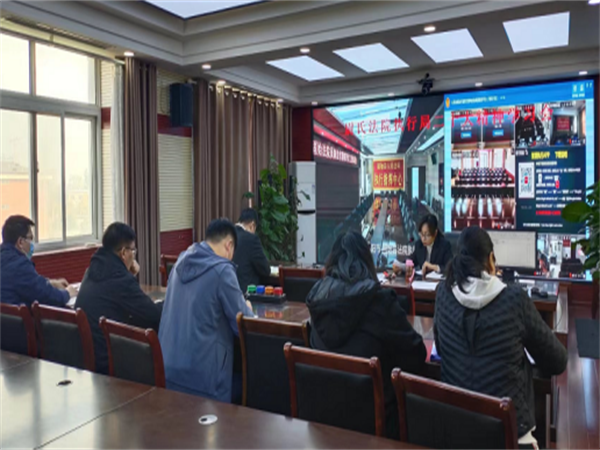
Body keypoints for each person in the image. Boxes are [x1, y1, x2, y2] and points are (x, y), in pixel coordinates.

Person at [434, 227, 567, 450]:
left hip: (456, 433)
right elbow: (558, 361)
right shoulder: (514, 300)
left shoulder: (443, 293)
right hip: (509, 436)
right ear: (491, 259)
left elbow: (440, 347)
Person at [306, 230, 427, 440]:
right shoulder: (380, 302)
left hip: (323, 432)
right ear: (367, 261)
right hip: (376, 432)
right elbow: (417, 355)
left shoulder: (317, 300)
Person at [159, 218, 254, 402]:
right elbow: (242, 325)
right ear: (229, 245)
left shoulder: (180, 262)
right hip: (204, 382)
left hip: (167, 372)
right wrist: (246, 307)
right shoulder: (223, 270)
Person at [75, 222, 163, 374]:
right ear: (123, 252)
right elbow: (154, 316)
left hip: (85, 359)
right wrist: (166, 303)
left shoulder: (90, 271)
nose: (134, 255)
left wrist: (128, 274)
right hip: (110, 362)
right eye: (133, 251)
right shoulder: (120, 278)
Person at [0, 215, 77, 306]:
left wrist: (50, 283)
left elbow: (30, 283)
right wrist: (67, 293)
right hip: (19, 314)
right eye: (30, 239)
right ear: (20, 242)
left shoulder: (5, 258)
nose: (32, 244)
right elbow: (47, 296)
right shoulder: (19, 265)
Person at [232, 208, 270, 293]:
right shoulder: (251, 239)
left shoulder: (227, 235)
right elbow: (265, 269)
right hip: (246, 293)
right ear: (252, 225)